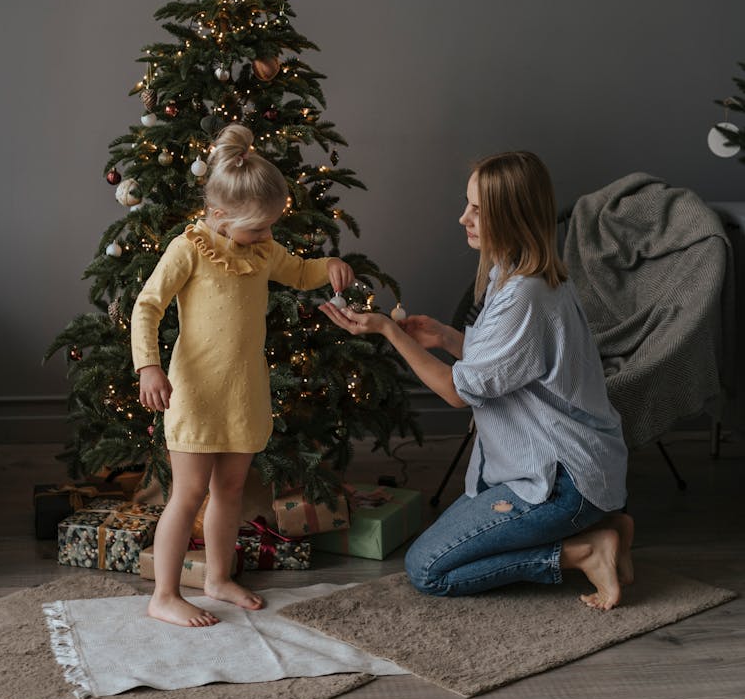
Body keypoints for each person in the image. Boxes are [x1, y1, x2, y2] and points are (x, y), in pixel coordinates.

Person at [320, 151, 632, 610]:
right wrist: (446, 337)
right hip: (572, 471)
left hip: (562, 482)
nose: (463, 217)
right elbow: (511, 370)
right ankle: (606, 527)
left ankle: (584, 550)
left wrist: (387, 331)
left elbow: (455, 392)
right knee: (450, 550)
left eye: (478, 210)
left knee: (428, 569)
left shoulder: (524, 295)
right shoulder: (516, 275)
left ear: (513, 215)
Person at [131, 123, 354, 627]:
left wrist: (330, 266)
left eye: (270, 227)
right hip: (195, 391)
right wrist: (148, 365)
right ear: (219, 215)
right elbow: (147, 307)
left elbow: (299, 272)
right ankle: (164, 593)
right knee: (187, 493)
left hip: (243, 391)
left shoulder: (261, 250)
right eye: (257, 228)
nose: (266, 237)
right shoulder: (189, 248)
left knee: (230, 488)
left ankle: (217, 576)